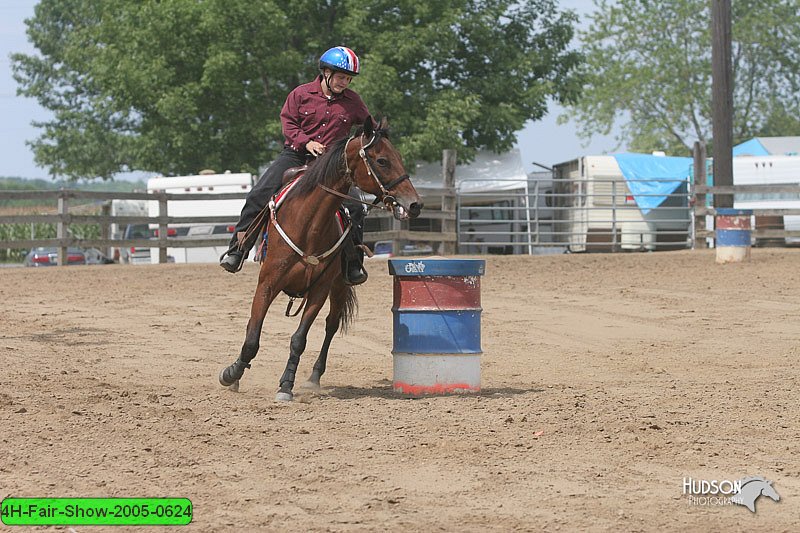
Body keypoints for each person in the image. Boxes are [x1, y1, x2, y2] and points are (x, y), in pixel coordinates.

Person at [220, 46, 372, 285]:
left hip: (330, 164)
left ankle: (353, 264)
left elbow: (368, 128)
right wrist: (307, 142)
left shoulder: (353, 102)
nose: (345, 82)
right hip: (296, 155)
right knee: (260, 194)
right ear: (326, 72)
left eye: (349, 78)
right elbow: (288, 124)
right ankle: (238, 250)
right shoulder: (301, 94)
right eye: (342, 77)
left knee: (355, 208)